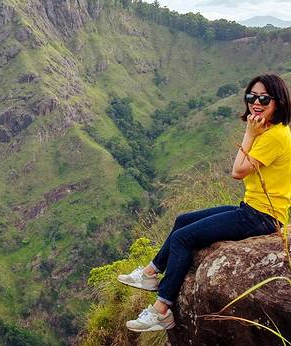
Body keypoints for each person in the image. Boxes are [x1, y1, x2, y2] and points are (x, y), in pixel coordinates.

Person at [118, 73, 291, 332]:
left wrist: (248, 133)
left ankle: (161, 310)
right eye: (251, 96)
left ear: (278, 102)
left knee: (183, 238)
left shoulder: (274, 136)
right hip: (251, 208)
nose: (256, 103)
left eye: (264, 98)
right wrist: (254, 132)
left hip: (262, 217)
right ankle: (150, 273)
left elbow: (238, 171)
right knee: (183, 221)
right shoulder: (267, 131)